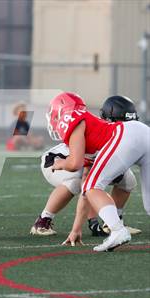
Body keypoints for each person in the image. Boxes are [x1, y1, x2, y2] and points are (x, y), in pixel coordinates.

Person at [47, 92, 150, 251]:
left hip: (127, 134)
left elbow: (75, 163)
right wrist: (76, 229)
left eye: (54, 117)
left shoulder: (73, 118)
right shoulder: (89, 138)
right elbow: (85, 194)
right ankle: (117, 229)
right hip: (142, 132)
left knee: (92, 186)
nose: (54, 121)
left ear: (61, 112)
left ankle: (117, 231)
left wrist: (61, 163)